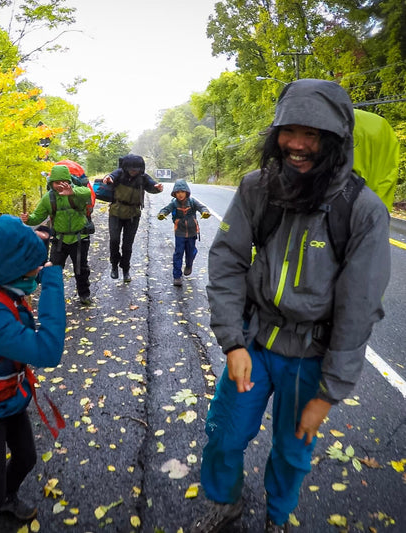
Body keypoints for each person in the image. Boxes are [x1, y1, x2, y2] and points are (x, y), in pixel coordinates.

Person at [192, 79, 390, 533]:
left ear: (336, 140)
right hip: (256, 342)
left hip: (312, 358)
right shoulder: (257, 188)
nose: (297, 145)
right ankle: (225, 503)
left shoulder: (362, 210)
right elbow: (227, 260)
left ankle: (277, 518)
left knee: (292, 448)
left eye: (313, 134)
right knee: (224, 434)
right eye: (289, 131)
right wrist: (233, 342)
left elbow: (358, 308)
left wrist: (328, 393)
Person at [0, 214, 66, 532]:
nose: (38, 270)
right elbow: (48, 351)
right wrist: (54, 282)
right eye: (33, 266)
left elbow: (18, 263)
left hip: (8, 397)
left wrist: (37, 251)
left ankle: (8, 498)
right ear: (12, 270)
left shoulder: (0, 284)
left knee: (26, 458)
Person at [21, 164, 93, 306]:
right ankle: (53, 297)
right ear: (51, 183)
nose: (60, 185)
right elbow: (38, 216)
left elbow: (87, 193)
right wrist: (28, 219)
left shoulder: (78, 192)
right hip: (59, 239)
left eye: (63, 181)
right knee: (53, 269)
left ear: (69, 180)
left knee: (81, 269)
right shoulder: (49, 198)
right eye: (56, 182)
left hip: (80, 239)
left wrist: (71, 192)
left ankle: (84, 295)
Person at [102, 153, 163, 282]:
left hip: (133, 214)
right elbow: (111, 176)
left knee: (127, 245)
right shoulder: (119, 173)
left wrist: (157, 188)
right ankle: (114, 265)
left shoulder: (143, 178)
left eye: (136, 169)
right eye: (131, 168)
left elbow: (152, 185)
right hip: (116, 212)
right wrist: (108, 179)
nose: (134, 171)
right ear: (126, 167)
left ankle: (125, 269)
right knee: (114, 240)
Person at [157, 179, 210, 286]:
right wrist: (162, 214)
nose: (180, 194)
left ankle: (189, 265)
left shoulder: (192, 201)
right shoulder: (174, 203)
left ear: (187, 192)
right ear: (175, 193)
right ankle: (177, 276)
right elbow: (165, 209)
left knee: (191, 252)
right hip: (179, 233)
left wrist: (205, 212)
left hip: (192, 232)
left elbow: (202, 207)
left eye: (182, 192)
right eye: (178, 192)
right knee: (178, 253)